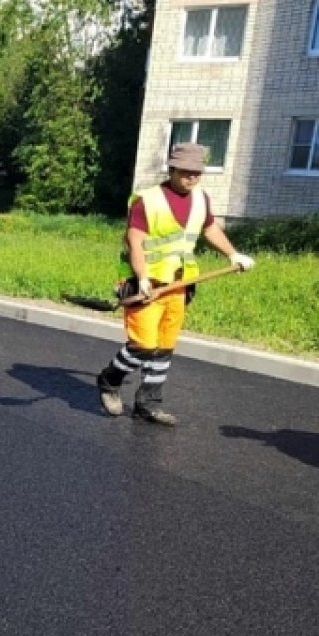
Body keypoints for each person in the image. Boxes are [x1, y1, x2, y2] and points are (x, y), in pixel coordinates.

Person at [96, 142, 254, 426]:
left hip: (179, 284)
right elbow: (135, 241)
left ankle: (148, 404)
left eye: (197, 172)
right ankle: (109, 380)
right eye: (185, 171)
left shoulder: (200, 199)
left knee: (165, 346)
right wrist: (142, 277)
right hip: (145, 284)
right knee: (144, 344)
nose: (191, 177)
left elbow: (210, 228)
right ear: (172, 169)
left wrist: (233, 253)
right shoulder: (148, 200)